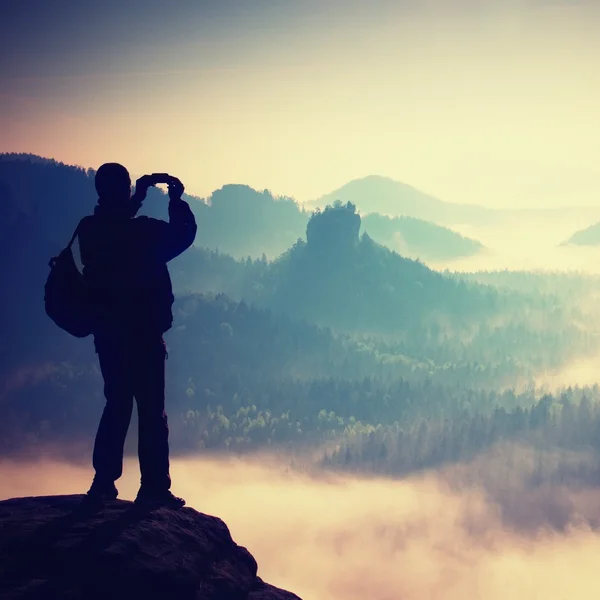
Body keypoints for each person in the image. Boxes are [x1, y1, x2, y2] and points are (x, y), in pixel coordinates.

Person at [78, 163, 196, 508]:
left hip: (109, 335)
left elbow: (113, 224)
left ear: (100, 190)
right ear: (125, 189)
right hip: (144, 334)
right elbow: (183, 234)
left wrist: (137, 197)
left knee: (116, 404)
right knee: (151, 411)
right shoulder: (144, 233)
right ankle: (154, 487)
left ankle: (103, 483)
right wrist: (175, 200)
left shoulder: (89, 231)